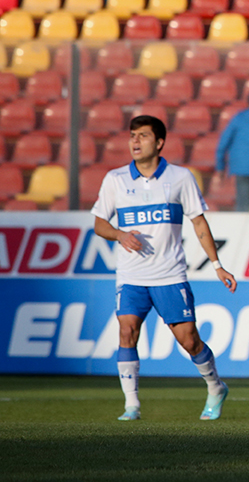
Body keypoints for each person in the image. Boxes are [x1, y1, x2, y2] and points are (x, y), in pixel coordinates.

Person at [91, 115, 237, 422]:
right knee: (126, 330)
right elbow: (99, 224)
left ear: (159, 143)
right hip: (131, 277)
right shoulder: (115, 179)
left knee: (189, 341)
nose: (135, 141)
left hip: (170, 275)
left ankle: (215, 386)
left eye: (142, 136)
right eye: (132, 135)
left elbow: (198, 222)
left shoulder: (180, 178)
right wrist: (120, 234)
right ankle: (132, 406)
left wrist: (217, 265)